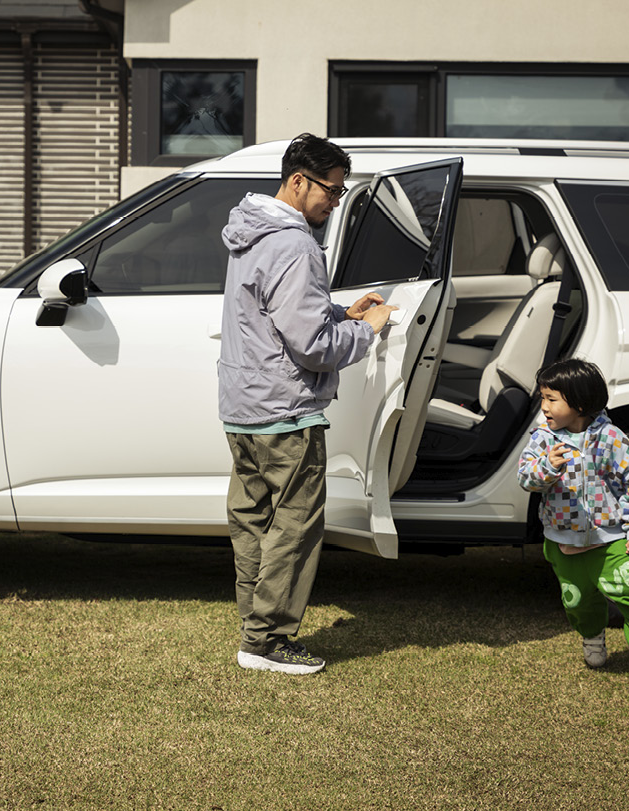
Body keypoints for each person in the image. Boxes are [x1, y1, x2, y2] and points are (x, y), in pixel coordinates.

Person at [218, 133, 397, 675]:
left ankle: (255, 630)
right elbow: (312, 347)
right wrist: (367, 330)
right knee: (294, 529)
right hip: (287, 411)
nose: (335, 203)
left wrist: (340, 311)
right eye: (332, 191)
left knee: (253, 524)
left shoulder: (251, 232)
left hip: (243, 407)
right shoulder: (294, 244)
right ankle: (267, 642)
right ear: (299, 181)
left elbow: (274, 314)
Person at [517, 358, 629, 677]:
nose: (543, 406)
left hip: (611, 538)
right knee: (578, 602)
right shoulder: (543, 439)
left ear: (579, 403)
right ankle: (592, 636)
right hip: (565, 541)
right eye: (543, 397)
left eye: (551, 399)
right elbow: (525, 478)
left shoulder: (610, 438)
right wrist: (547, 466)